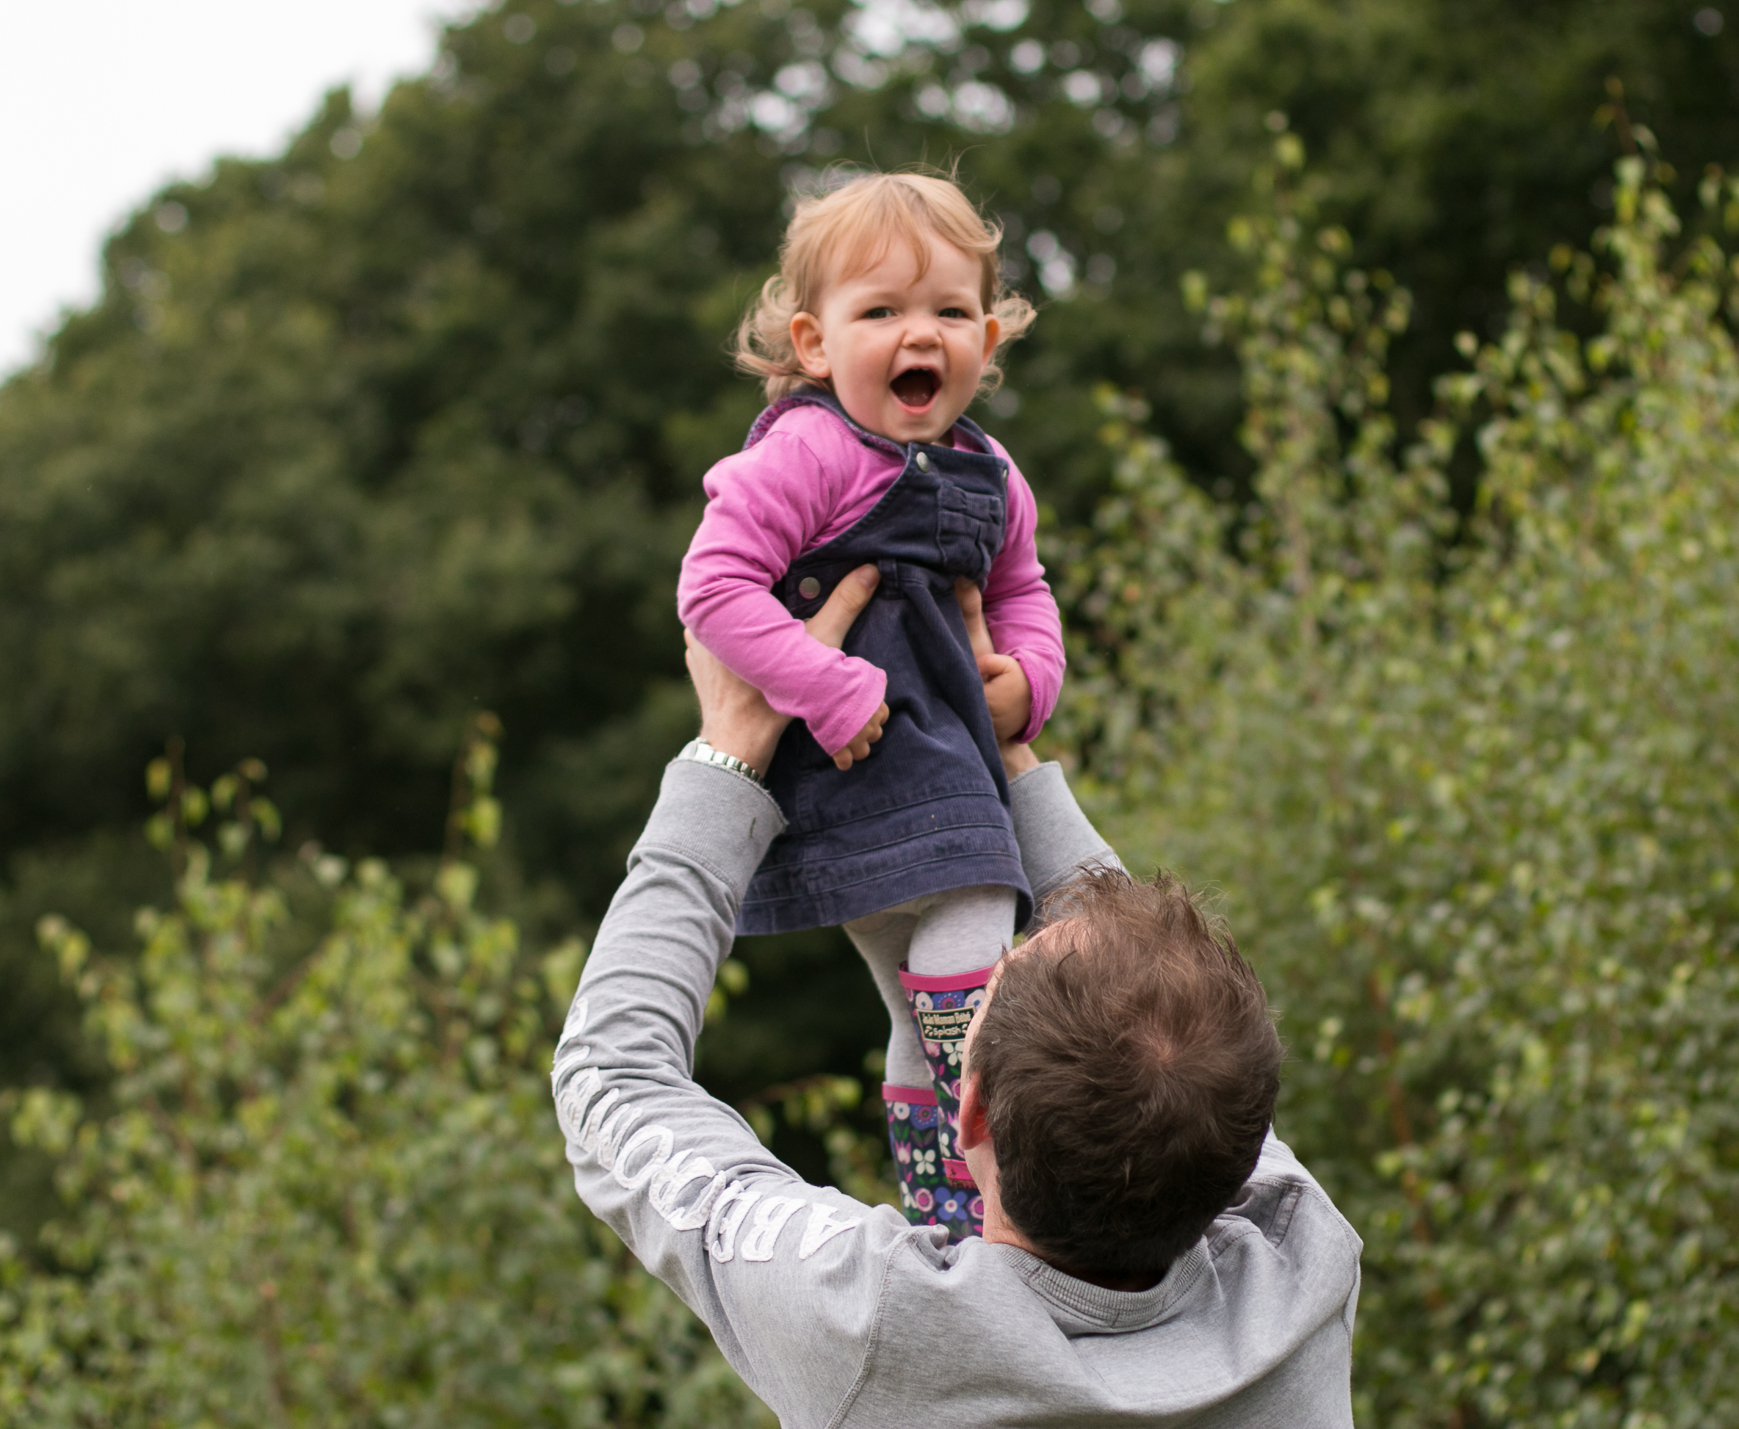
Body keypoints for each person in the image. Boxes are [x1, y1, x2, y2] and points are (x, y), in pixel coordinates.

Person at [556, 566, 1364, 1427]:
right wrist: (1004, 756)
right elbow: (1179, 1036)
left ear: (969, 1110)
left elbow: (611, 1078)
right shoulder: (1298, 1269)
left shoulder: (880, 1330)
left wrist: (727, 751)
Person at [675, 169, 1062, 1238]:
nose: (917, 335)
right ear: (813, 343)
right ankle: (1001, 1150)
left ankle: (942, 1204)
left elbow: (1024, 590)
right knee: (979, 941)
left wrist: (1028, 679)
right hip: (860, 767)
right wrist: (833, 688)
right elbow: (709, 589)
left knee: (912, 996)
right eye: (879, 311)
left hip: (948, 754)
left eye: (947, 311)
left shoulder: (992, 471)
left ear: (985, 336)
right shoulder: (808, 451)